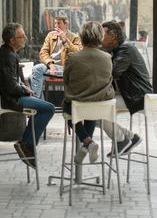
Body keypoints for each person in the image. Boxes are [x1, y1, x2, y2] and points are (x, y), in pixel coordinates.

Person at [0, 23, 55, 167]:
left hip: (6, 96)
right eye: (22, 36)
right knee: (49, 108)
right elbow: (11, 87)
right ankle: (26, 144)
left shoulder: (4, 52)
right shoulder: (8, 56)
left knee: (41, 106)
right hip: (8, 99)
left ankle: (26, 145)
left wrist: (23, 87)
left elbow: (10, 81)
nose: (26, 38)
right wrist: (25, 91)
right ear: (12, 40)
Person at [62, 21, 117, 174]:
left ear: (81, 37)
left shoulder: (73, 57)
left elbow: (66, 79)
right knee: (91, 103)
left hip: (77, 106)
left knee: (68, 108)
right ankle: (87, 145)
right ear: (100, 37)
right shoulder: (107, 57)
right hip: (100, 106)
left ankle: (87, 142)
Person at [100, 20, 147, 155]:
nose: (99, 39)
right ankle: (130, 137)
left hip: (137, 96)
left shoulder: (125, 49)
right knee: (92, 111)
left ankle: (122, 139)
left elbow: (112, 73)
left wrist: (100, 52)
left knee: (97, 110)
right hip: (129, 93)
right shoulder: (119, 49)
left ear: (113, 36)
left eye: (102, 35)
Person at [29, 12, 81, 99]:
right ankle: (39, 102)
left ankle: (37, 102)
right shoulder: (50, 35)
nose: (56, 26)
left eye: (59, 23)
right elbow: (43, 52)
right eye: (55, 23)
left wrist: (65, 40)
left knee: (32, 77)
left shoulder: (75, 37)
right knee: (35, 71)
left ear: (66, 24)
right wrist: (51, 64)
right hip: (50, 66)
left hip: (65, 68)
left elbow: (78, 53)